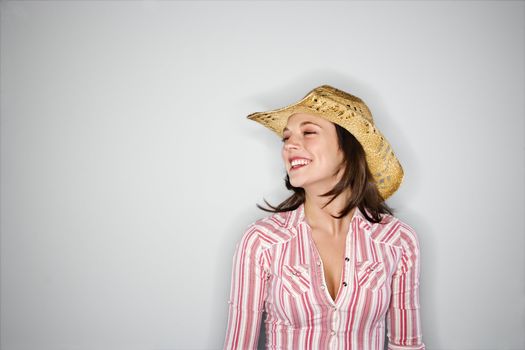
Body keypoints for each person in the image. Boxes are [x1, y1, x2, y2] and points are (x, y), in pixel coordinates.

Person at [223, 85, 425, 350]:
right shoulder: (262, 241)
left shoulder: (398, 240)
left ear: (349, 148)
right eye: (286, 138)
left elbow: (407, 346)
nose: (289, 146)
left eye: (308, 132)